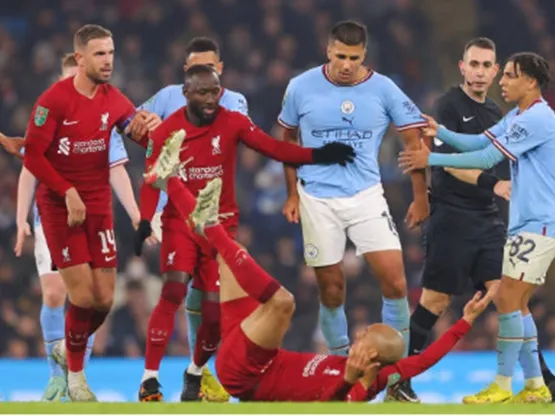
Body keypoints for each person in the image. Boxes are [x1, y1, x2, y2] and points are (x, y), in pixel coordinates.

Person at [141, 138, 494, 403]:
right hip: (256, 352)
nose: (362, 330)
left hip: (248, 375)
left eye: (369, 331)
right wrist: (466, 320)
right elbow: (427, 359)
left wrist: (348, 381)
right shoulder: (386, 373)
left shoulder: (362, 388)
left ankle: (200, 215)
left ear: (372, 353)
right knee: (230, 254)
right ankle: (169, 180)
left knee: (282, 302)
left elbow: (328, 408)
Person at [134, 64, 355, 402]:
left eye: (216, 91)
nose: (211, 98)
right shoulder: (167, 130)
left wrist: (319, 155)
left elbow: (273, 148)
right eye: (203, 92)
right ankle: (149, 380)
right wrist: (144, 220)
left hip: (220, 225)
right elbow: (153, 177)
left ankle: (194, 373)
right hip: (181, 222)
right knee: (174, 288)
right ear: (186, 93)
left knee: (211, 314)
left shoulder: (233, 122)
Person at [399, 38, 555, 403]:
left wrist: (432, 161)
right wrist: (440, 133)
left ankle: (511, 385)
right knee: (461, 301)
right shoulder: (499, 112)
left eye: (503, 72)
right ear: (462, 66)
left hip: (531, 221)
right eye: (479, 65)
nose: (495, 78)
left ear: (530, 81)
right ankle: (535, 385)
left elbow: (485, 158)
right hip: (459, 218)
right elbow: (475, 145)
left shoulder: (533, 117)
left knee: (507, 299)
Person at [278, 20, 429, 401]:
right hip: (317, 201)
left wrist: (421, 196)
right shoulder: (300, 87)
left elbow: (413, 138)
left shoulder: (383, 88)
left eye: (355, 58)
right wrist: (292, 194)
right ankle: (341, 375)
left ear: (365, 56)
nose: (347, 65)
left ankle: (398, 381)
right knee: (331, 291)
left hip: (365, 196)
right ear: (329, 51)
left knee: (395, 282)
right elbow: (288, 141)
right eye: (341, 56)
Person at [22, 24, 158, 401]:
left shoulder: (113, 98)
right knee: (81, 298)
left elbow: (136, 131)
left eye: (111, 53)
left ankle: (68, 348)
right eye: (100, 54)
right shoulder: (54, 100)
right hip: (59, 206)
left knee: (103, 299)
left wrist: (151, 129)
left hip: (97, 205)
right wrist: (66, 191)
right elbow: (33, 155)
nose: (108, 61)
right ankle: (77, 378)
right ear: (79, 59)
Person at [111, 36, 247, 402]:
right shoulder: (166, 96)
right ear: (185, 74)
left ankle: (198, 373)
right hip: (172, 214)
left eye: (211, 68)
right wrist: (146, 128)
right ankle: (163, 377)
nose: (204, 76)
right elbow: (131, 127)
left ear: (220, 70)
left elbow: (225, 142)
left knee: (207, 298)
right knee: (177, 290)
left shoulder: (234, 102)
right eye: (194, 69)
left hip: (215, 214)